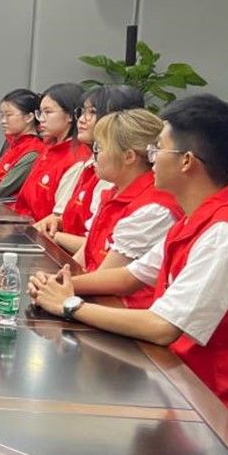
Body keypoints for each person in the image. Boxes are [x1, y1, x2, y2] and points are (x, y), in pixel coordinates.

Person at [29, 94, 228, 414]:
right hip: (173, 378)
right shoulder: (196, 218)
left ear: (187, 161)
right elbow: (131, 275)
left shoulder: (224, 232)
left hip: (208, 403)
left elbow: (162, 326)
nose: (151, 158)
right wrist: (57, 286)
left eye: (158, 148)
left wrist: (69, 305)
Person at [70, 108, 182, 307]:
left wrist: (61, 285)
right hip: (97, 298)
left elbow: (108, 279)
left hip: (124, 311)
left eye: (99, 148)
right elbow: (83, 258)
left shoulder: (155, 208)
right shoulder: (115, 192)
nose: (94, 156)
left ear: (129, 156)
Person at [35, 85, 145, 250]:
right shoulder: (88, 164)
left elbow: (96, 246)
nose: (81, 119)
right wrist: (56, 222)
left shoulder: (115, 174)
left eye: (93, 112)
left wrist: (54, 235)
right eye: (82, 112)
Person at [12, 82, 90, 220]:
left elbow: (57, 218)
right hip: (19, 220)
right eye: (40, 113)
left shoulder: (78, 158)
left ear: (70, 115)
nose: (41, 119)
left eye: (48, 112)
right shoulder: (49, 147)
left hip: (39, 229)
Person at [0, 88, 43, 198]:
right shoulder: (13, 143)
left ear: (29, 117)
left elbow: (3, 189)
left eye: (9, 115)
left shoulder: (33, 152)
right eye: (1, 116)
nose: (3, 121)